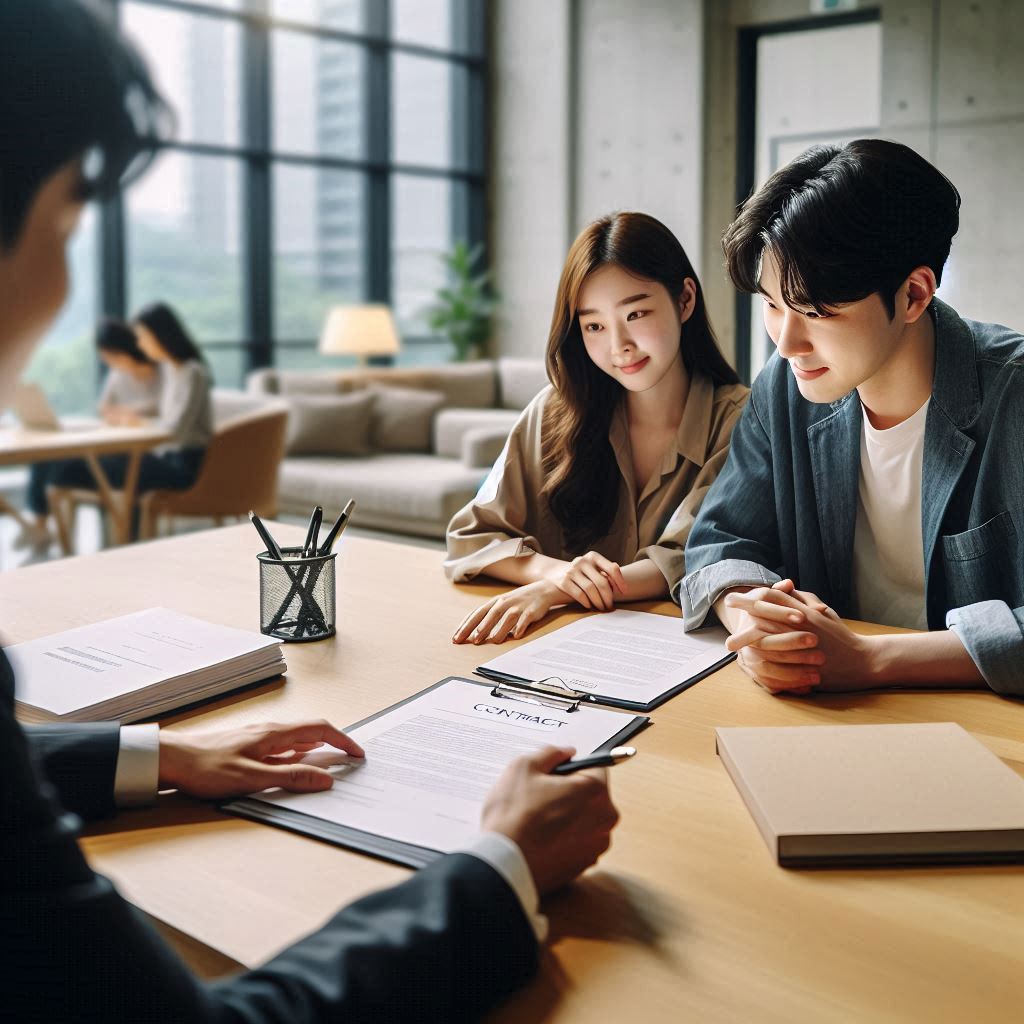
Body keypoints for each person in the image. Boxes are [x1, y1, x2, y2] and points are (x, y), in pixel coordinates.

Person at [0, 2, 620, 1020]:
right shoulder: (549, 415)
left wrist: (162, 755)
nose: (68, 282)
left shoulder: (737, 416)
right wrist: (498, 866)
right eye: (70, 220)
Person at [680, 139, 1024, 700]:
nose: (788, 342)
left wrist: (873, 658)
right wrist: (755, 619)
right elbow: (721, 541)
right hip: (829, 712)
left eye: (817, 311)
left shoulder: (1013, 395)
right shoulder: (785, 387)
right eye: (771, 304)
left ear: (913, 295)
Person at [447, 211, 749, 645]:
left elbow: (694, 557)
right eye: (594, 325)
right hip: (552, 649)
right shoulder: (554, 412)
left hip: (678, 652)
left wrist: (555, 591)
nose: (618, 345)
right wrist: (555, 572)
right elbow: (470, 536)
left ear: (685, 300)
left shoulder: (739, 420)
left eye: (637, 313)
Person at [18, 318, 159, 551]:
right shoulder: (117, 375)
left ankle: (41, 525)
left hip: (138, 455)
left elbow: (166, 414)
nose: (106, 360)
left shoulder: (161, 373)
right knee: (44, 457)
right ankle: (40, 524)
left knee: (55, 464)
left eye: (107, 354)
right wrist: (117, 416)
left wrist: (130, 414)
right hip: (112, 445)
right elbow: (104, 408)